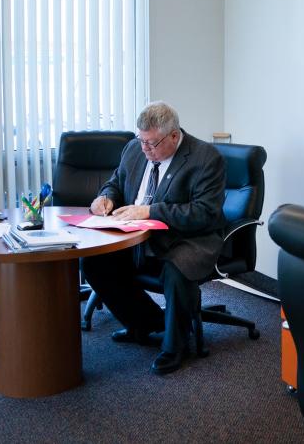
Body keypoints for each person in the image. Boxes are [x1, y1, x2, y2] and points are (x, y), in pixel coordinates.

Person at [81, 101, 226, 375]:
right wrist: (106, 198)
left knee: (177, 268)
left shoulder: (206, 158)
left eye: (152, 144)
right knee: (94, 263)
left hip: (187, 238)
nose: (145, 149)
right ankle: (146, 325)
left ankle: (175, 346)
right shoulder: (134, 149)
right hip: (138, 236)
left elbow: (204, 213)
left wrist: (149, 211)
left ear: (174, 136)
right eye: (142, 140)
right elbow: (116, 181)